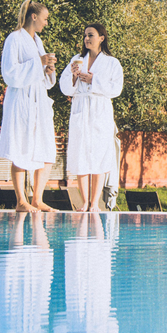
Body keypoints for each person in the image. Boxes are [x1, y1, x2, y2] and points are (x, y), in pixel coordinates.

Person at [0, 0, 58, 213]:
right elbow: (10, 73)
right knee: (20, 148)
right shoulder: (14, 39)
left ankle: (37, 199)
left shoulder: (37, 41)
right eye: (45, 19)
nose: (46, 23)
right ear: (34, 17)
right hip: (21, 101)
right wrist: (38, 63)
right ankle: (21, 200)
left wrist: (48, 71)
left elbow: (43, 78)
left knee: (47, 149)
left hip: (39, 102)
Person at [60, 23, 123, 212]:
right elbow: (64, 87)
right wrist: (73, 77)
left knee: (99, 155)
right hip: (80, 108)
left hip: (100, 110)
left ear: (101, 38)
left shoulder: (112, 63)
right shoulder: (77, 59)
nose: (87, 39)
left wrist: (94, 81)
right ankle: (84, 202)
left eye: (91, 35)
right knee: (81, 155)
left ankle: (95, 203)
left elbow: (116, 89)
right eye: (85, 35)